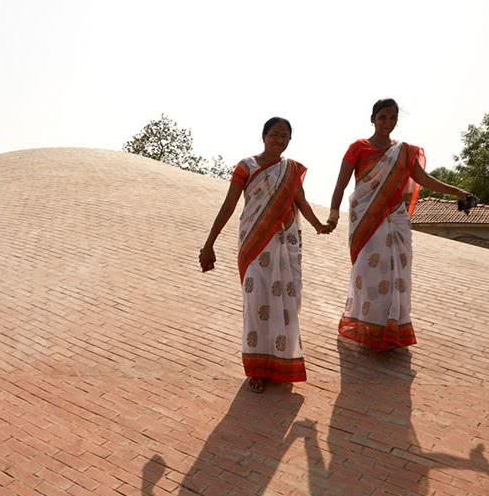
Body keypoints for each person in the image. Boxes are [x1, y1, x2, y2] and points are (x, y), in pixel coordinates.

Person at [324, 99, 471, 351]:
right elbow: (341, 184)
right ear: (373, 119)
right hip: (367, 219)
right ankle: (368, 328)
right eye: (382, 117)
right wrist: (334, 215)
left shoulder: (404, 151)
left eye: (392, 118)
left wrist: (458, 191)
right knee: (370, 273)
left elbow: (424, 179)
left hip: (396, 218)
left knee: (396, 274)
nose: (387, 123)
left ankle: (393, 328)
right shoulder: (358, 148)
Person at [199, 117, 328, 393]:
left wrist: (318, 225)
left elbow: (300, 202)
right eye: (275, 134)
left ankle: (281, 365)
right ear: (264, 136)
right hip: (254, 244)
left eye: (284, 136)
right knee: (257, 302)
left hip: (284, 245)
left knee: (284, 304)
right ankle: (257, 369)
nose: (279, 140)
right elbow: (229, 205)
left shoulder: (290, 169)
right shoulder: (247, 167)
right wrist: (210, 243)